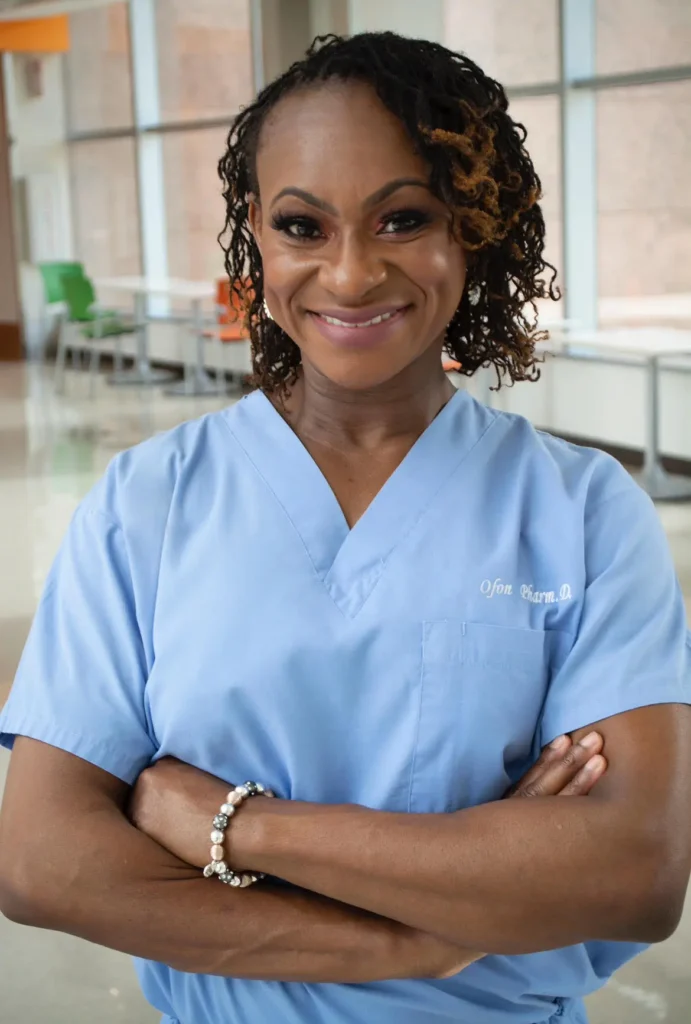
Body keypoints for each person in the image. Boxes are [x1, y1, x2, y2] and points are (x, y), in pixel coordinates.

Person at [1, 30, 690, 1024]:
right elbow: (41, 861)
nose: (352, 273)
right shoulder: (148, 500)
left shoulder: (582, 512)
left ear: (473, 228)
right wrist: (417, 938)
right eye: (303, 226)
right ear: (258, 234)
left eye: (402, 219)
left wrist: (240, 827)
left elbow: (635, 871)